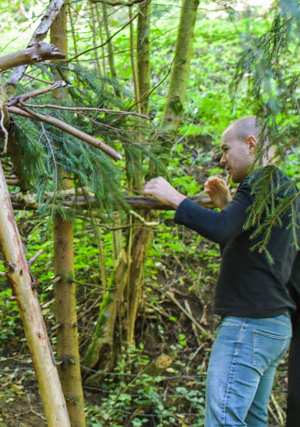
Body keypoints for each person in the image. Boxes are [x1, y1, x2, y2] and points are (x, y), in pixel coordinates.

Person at [144, 116, 298, 426]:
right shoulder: (285, 188)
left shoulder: (260, 181)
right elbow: (244, 251)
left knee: (223, 420)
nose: (222, 159)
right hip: (273, 326)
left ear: (251, 144)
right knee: (252, 419)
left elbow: (223, 228)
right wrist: (227, 204)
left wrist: (174, 198)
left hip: (249, 325)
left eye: (226, 149)